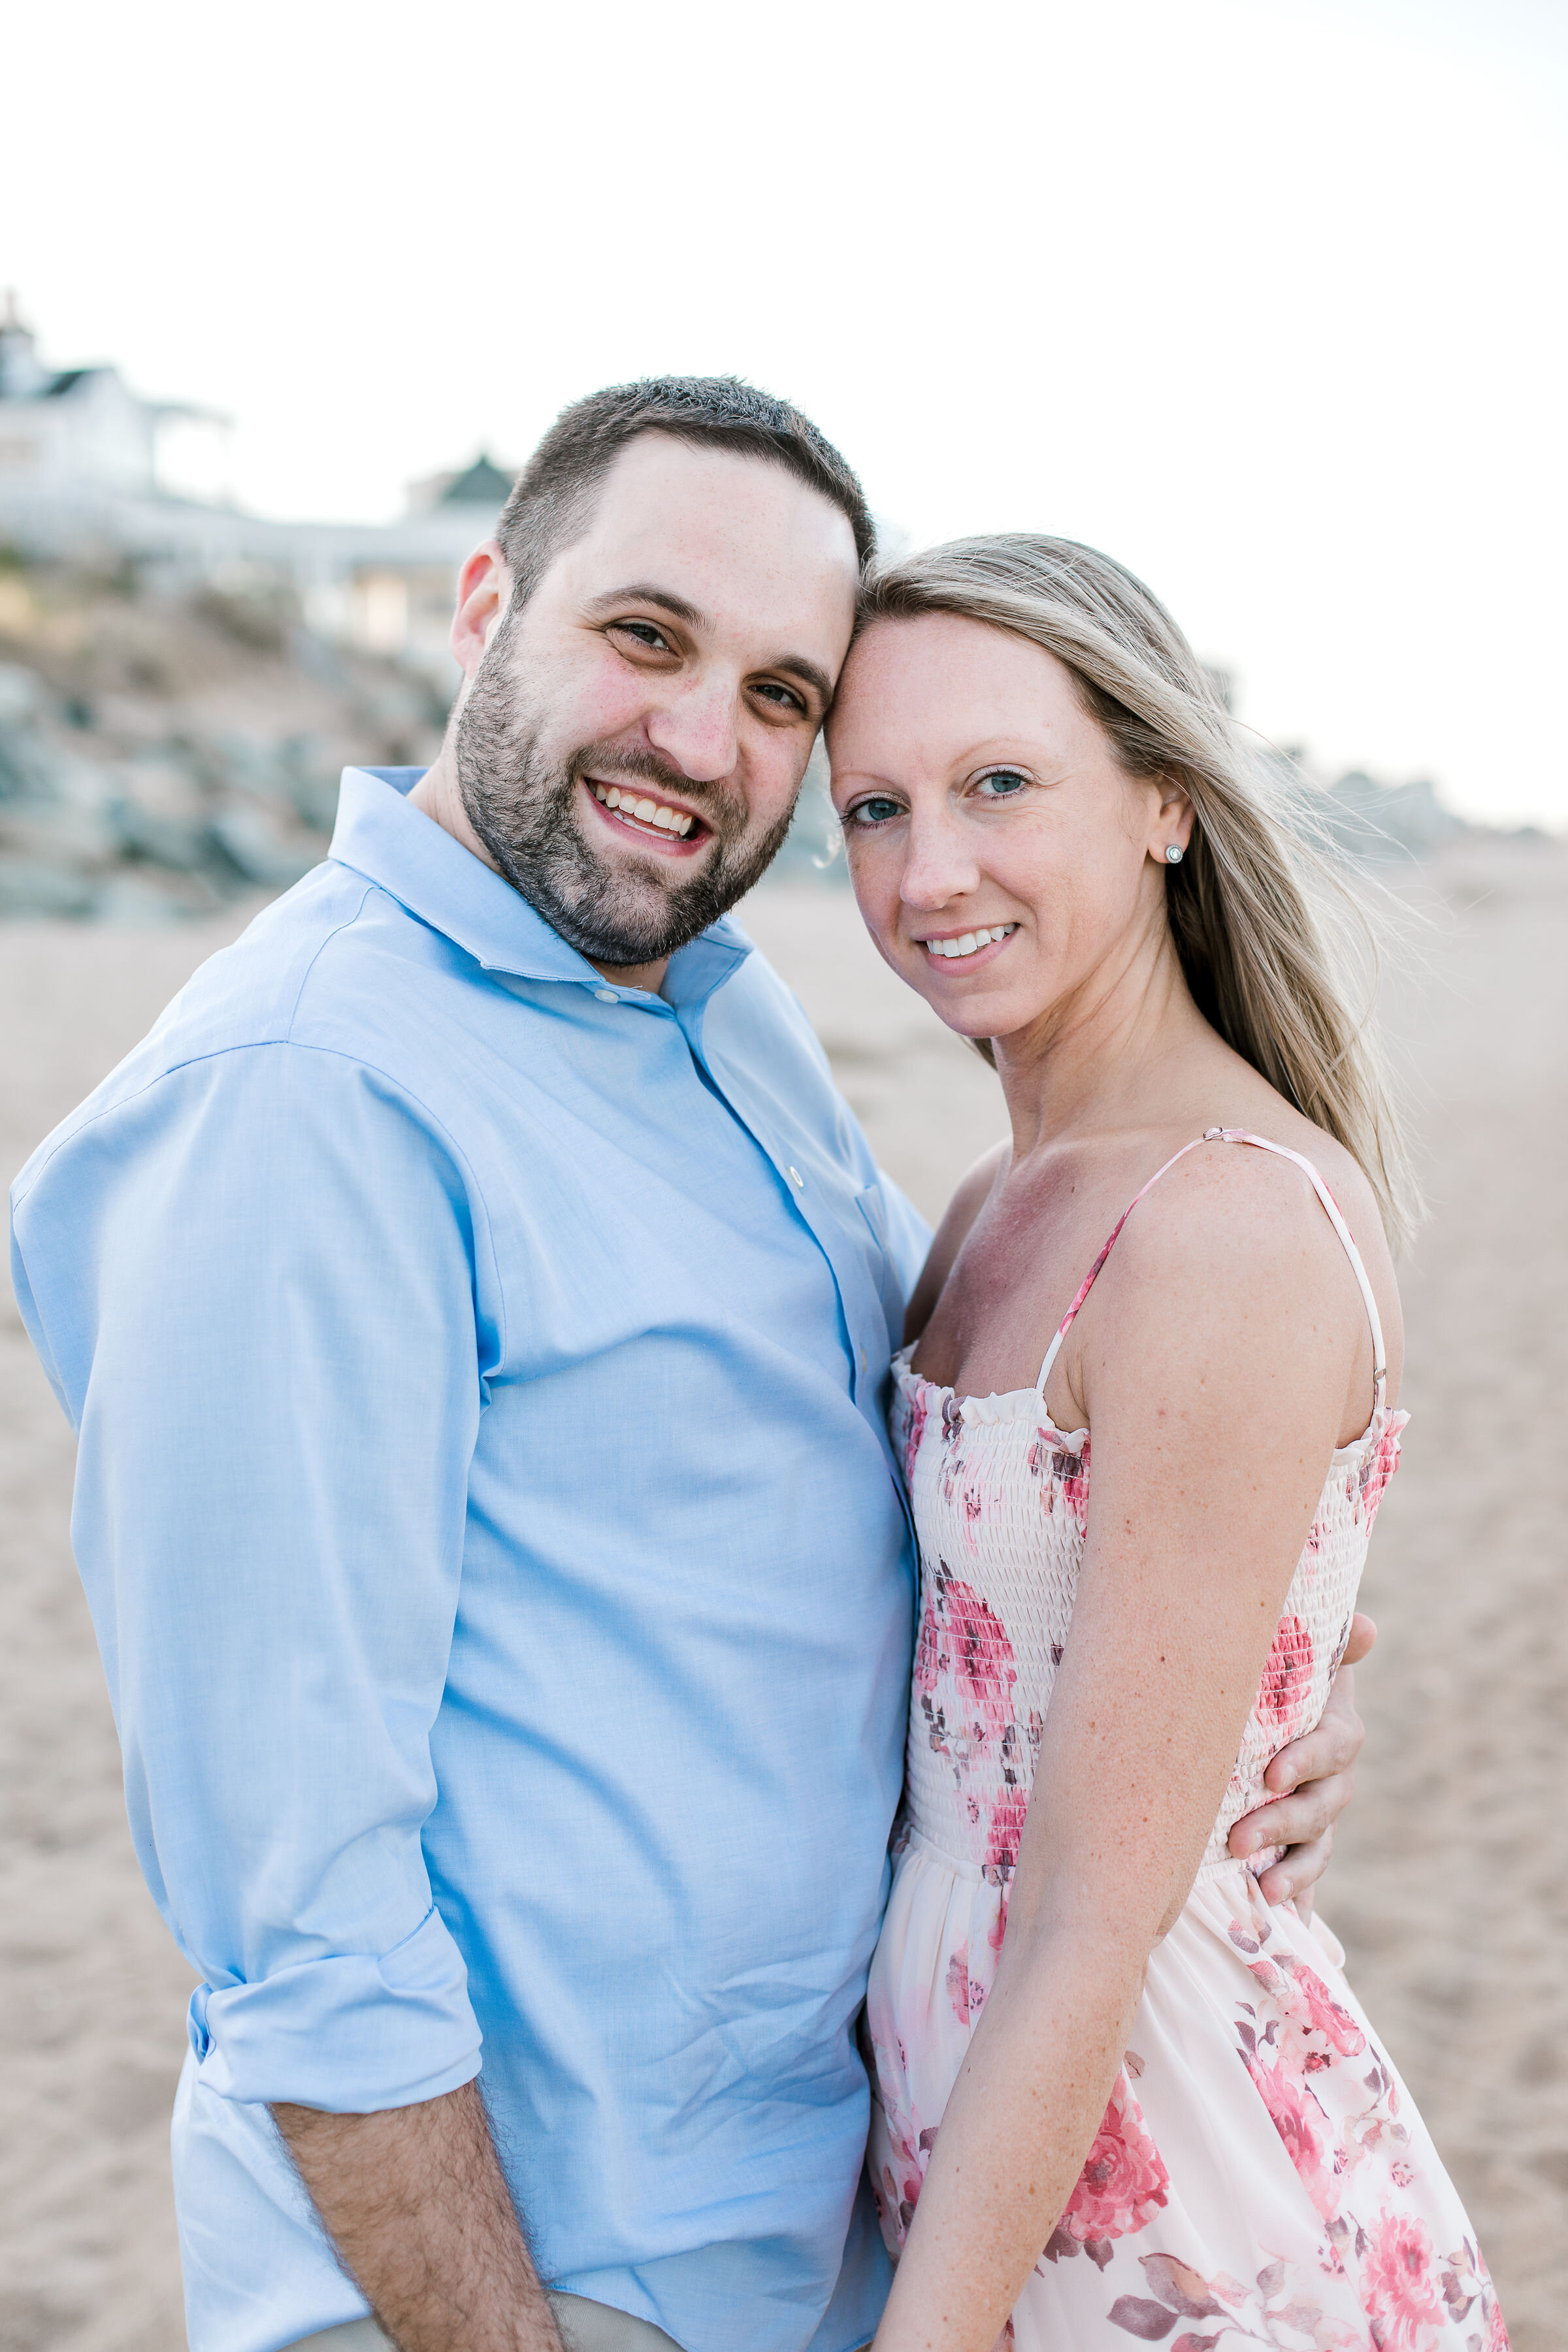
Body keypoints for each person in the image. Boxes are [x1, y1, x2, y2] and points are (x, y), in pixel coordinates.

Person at [10, 384, 1366, 2352]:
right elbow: (299, 1916)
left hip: (816, 2229)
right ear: (484, 608)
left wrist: (1270, 1676)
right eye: (644, 638)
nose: (697, 742)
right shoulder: (311, 1102)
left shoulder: (724, 1025)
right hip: (538, 2278)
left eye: (780, 696)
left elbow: (1004, 1490)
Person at [823, 534, 1508, 2350]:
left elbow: (1088, 1921)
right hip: (990, 2145)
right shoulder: (991, 1202)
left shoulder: (1221, 1223)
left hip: (1179, 2179)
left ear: (1165, 807)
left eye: (999, 787)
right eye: (876, 806)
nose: (929, 871)